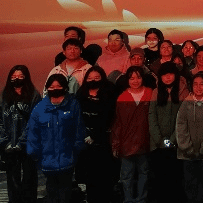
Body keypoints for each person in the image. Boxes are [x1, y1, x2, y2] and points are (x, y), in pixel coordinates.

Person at [27, 74, 86, 203]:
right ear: (47, 88)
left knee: (66, 192)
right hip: (46, 159)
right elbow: (32, 132)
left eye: (58, 86)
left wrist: (77, 149)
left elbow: (79, 128)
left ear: (65, 87)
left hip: (68, 158)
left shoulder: (73, 105)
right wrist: (34, 153)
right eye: (52, 87)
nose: (55, 89)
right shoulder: (39, 108)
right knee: (51, 191)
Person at [75, 66, 118, 203]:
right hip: (85, 142)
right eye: (90, 78)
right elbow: (77, 117)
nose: (93, 80)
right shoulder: (81, 93)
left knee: (105, 177)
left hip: (104, 141)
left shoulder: (109, 93)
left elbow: (110, 117)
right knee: (89, 177)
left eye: (96, 78)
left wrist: (95, 135)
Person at [0, 65, 41, 203]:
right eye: (13, 77)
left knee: (30, 177)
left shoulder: (34, 95)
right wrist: (5, 141)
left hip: (28, 144)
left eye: (20, 76)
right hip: (8, 146)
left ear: (26, 77)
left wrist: (21, 142)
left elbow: (35, 121)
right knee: (12, 179)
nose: (16, 79)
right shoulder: (4, 95)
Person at [112, 66, 153, 203]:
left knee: (144, 173)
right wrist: (116, 144)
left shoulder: (150, 93)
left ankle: (142, 199)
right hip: (126, 143)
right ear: (127, 80)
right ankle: (128, 200)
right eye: (132, 78)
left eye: (138, 77)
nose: (135, 81)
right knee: (126, 175)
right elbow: (118, 123)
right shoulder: (122, 97)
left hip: (145, 141)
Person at [148, 62, 187, 203]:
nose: (168, 77)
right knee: (159, 180)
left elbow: (183, 119)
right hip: (157, 144)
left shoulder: (184, 91)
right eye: (164, 74)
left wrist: (172, 140)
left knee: (175, 180)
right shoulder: (155, 92)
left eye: (170, 74)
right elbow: (151, 116)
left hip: (176, 144)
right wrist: (159, 140)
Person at [176, 73, 203, 203]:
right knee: (190, 184)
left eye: (202, 84)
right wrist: (187, 147)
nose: (199, 87)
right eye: (195, 84)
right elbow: (181, 125)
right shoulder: (186, 103)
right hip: (188, 153)